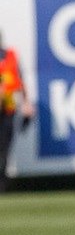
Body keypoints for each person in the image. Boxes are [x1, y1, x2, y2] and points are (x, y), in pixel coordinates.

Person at [0, 27, 30, 187]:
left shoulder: (10, 56)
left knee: (4, 147)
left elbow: (20, 80)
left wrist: (26, 102)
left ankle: (2, 183)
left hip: (8, 108)